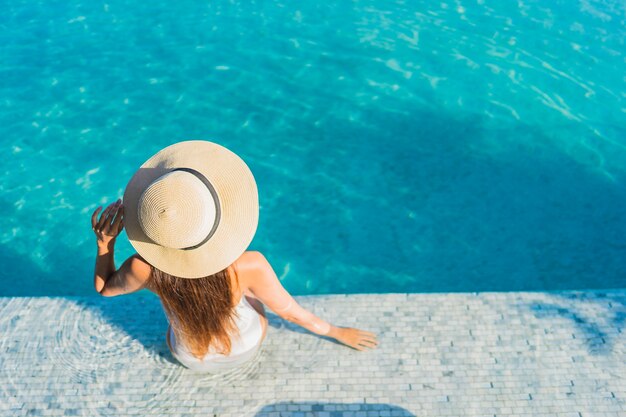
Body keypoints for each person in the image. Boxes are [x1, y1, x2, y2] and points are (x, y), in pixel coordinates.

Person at [91, 140, 378, 373]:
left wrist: (105, 245)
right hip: (243, 349)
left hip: (187, 356)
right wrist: (337, 332)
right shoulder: (248, 265)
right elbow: (290, 312)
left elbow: (104, 290)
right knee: (253, 299)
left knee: (183, 309)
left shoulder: (142, 269)